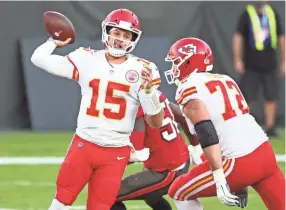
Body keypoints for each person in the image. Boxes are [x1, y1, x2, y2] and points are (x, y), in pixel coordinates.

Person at [30, 8, 164, 210]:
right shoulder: (87, 58)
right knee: (60, 202)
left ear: (134, 39)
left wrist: (148, 92)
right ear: (107, 32)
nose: (120, 39)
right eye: (116, 33)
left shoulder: (143, 69)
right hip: (84, 145)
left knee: (100, 207)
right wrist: (52, 42)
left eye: (126, 35)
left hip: (115, 152)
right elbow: (38, 59)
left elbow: (156, 122)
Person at [164, 37, 285, 210]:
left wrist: (220, 178)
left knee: (178, 191)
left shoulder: (188, 86)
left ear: (189, 61)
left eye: (176, 62)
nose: (173, 68)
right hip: (265, 153)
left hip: (239, 162)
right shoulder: (225, 79)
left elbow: (206, 130)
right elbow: (233, 127)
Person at [111, 91, 191, 210]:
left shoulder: (136, 104)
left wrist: (102, 163)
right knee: (151, 196)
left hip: (167, 171)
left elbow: (135, 152)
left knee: (108, 196)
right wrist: (195, 144)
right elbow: (182, 115)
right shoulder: (155, 94)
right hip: (180, 159)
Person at [232, 1, 285, 136]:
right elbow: (238, 37)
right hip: (251, 64)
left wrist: (284, 60)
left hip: (270, 63)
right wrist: (237, 59)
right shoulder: (247, 13)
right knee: (246, 96)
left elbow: (281, 37)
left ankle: (270, 127)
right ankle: (244, 126)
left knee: (271, 95)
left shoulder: (272, 13)